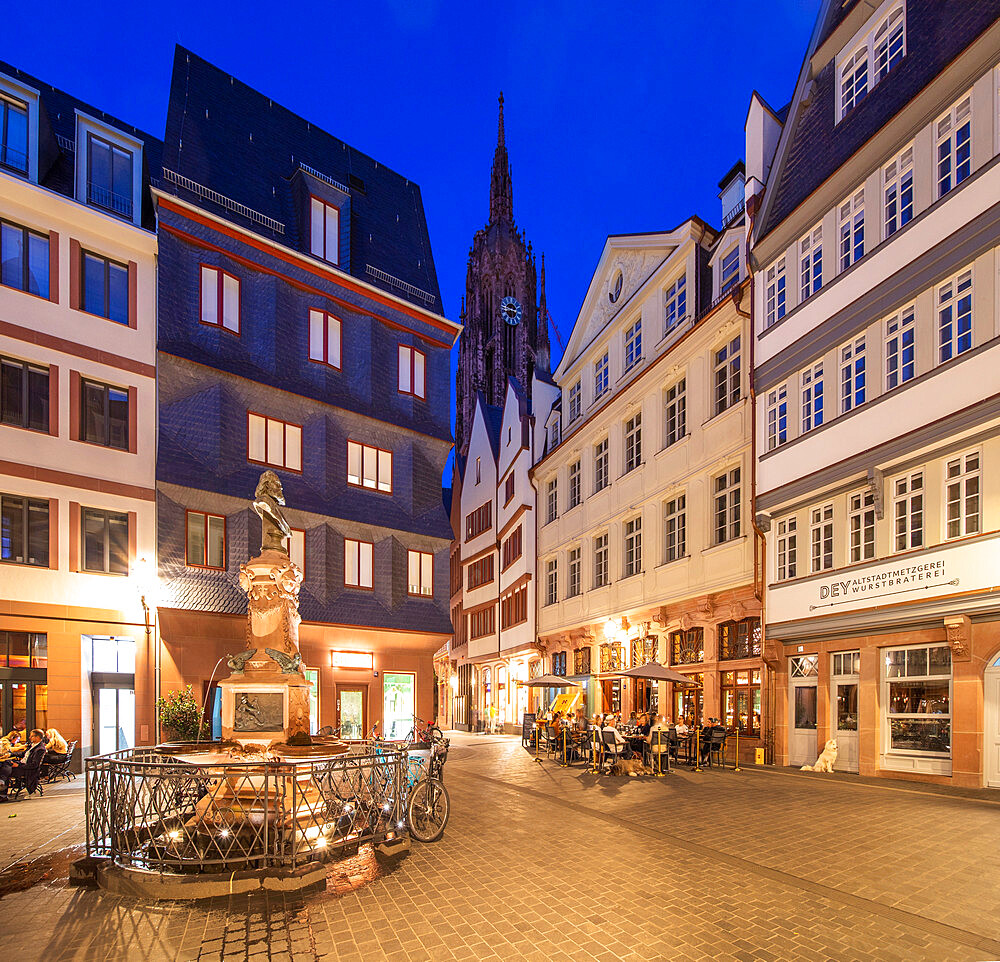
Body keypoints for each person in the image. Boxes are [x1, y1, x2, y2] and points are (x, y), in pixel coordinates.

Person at [0, 729, 46, 797]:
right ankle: (2, 785)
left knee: (4, 769)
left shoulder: (40, 749)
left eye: (31, 736)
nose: (29, 738)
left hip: (27, 769)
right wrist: (11, 754)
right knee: (5, 763)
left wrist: (18, 765)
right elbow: (23, 753)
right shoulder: (32, 745)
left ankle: (2, 793)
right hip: (22, 764)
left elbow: (34, 765)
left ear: (37, 737)